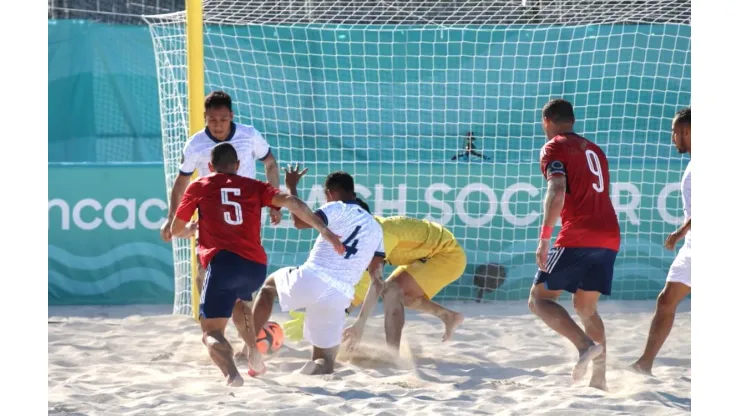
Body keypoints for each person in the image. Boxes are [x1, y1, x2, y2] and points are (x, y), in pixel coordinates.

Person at [170, 143, 343, 386]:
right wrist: (324, 230)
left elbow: (175, 229)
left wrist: (190, 228)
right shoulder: (254, 186)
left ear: (210, 167)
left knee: (211, 332)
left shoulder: (200, 186)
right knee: (240, 304)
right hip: (254, 267)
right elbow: (293, 202)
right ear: (238, 165)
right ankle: (254, 354)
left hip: (223, 263)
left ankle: (232, 376)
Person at [160, 90, 282, 353]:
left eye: (223, 119)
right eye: (212, 120)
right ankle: (218, 335)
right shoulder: (196, 144)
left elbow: (270, 163)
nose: (218, 125)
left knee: (241, 284)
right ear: (205, 118)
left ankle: (246, 342)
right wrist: (171, 217)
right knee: (202, 275)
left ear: (232, 117)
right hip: (210, 216)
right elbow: (182, 181)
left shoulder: (249, 135)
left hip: (244, 216)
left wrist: (273, 200)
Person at [251, 166, 385, 376]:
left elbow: (298, 221)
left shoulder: (337, 207)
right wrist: (360, 320)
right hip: (341, 295)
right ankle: (300, 380)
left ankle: (249, 349)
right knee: (324, 360)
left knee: (269, 287)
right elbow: (377, 278)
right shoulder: (377, 229)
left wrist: (292, 186)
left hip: (314, 277)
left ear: (330, 194)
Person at [529, 98, 621, 391]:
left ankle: (584, 346)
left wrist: (544, 238)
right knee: (586, 308)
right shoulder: (595, 149)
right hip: (609, 235)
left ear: (547, 121)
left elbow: (557, 190)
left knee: (539, 299)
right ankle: (599, 379)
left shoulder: (554, 146)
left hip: (579, 234)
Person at [283, 210, 467, 352]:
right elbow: (360, 288)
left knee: (392, 290)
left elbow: (375, 284)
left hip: (447, 256)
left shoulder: (380, 236)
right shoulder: (362, 237)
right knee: (404, 296)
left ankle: (392, 354)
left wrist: (359, 325)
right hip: (428, 255)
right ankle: (449, 316)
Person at [631, 107, 691, 375]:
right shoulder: (693, 161)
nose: (672, 137)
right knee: (666, 301)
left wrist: (679, 232)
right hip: (693, 248)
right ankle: (644, 364)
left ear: (687, 131)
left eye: (674, 131)